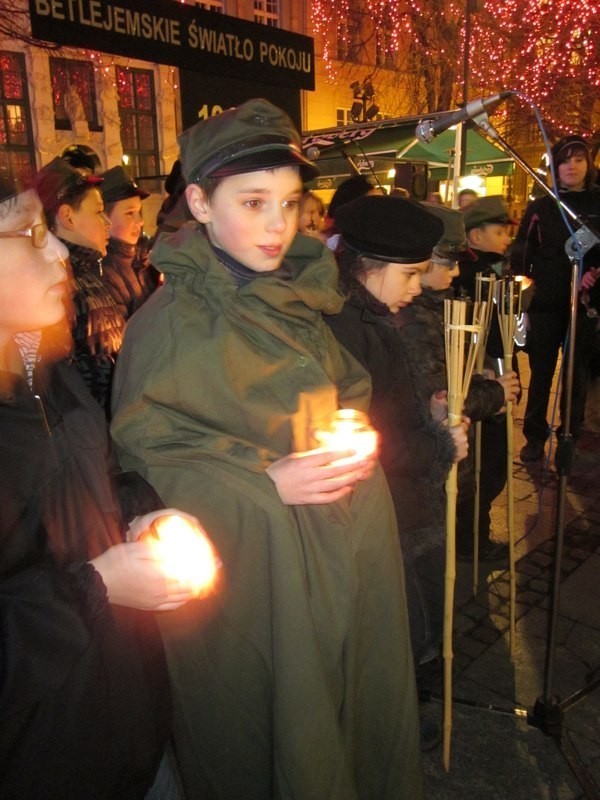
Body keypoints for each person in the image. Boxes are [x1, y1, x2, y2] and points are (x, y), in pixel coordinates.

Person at [111, 98, 424, 800]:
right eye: (253, 203)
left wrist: (353, 433)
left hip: (343, 547)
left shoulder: (299, 295)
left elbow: (341, 390)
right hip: (260, 580)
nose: (278, 225)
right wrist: (262, 482)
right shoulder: (166, 325)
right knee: (278, 735)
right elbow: (147, 462)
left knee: (355, 723)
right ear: (198, 201)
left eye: (290, 202)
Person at [0, 174, 202, 799]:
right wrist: (95, 587)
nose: (57, 251)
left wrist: (148, 517)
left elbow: (102, 476)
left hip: (130, 731)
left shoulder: (41, 366)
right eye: (28, 234)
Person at [324, 195, 469, 749]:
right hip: (381, 506)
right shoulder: (347, 328)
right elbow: (363, 437)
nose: (416, 286)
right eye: (409, 274)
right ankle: (390, 728)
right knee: (398, 627)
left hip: (401, 500)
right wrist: (435, 446)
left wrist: (430, 415)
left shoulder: (370, 314)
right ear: (371, 267)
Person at [511, 135, 600, 462]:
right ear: (555, 166)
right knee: (542, 371)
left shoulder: (597, 203)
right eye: (565, 160)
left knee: (575, 375)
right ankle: (534, 434)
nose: (572, 166)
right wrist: (524, 290)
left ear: (588, 164)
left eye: (579, 159)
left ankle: (570, 435)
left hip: (584, 304)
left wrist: (596, 273)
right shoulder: (542, 205)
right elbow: (522, 251)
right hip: (546, 301)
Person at [452, 196, 521, 559]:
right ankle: (471, 539)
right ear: (475, 236)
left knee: (491, 466)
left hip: (493, 376)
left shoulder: (497, 271)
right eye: (499, 231)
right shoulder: (471, 277)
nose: (507, 238)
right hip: (481, 379)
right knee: (483, 467)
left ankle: (474, 535)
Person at [34, 156, 124, 416]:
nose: (107, 223)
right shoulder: (60, 287)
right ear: (67, 217)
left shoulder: (88, 275)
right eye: (98, 212)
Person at [100, 165, 159, 320]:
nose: (140, 221)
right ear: (104, 218)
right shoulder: (104, 273)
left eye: (138, 212)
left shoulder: (143, 260)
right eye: (129, 213)